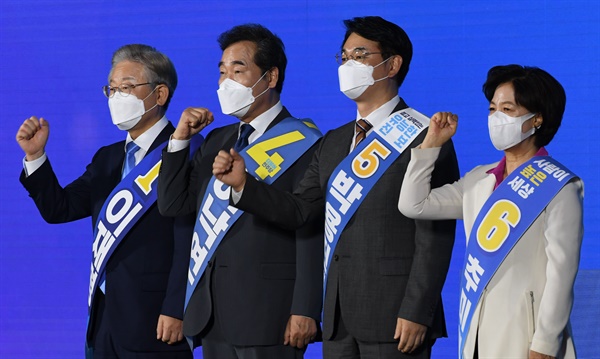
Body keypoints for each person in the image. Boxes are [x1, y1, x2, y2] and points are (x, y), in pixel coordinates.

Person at [213, 16, 459, 358]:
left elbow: (436, 234)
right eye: (344, 57)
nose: (348, 65)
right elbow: (301, 211)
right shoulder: (333, 142)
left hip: (397, 317)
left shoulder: (426, 135)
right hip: (338, 318)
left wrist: (419, 310)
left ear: (393, 64)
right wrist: (243, 186)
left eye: (360, 55)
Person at [156, 24, 323, 359]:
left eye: (238, 70)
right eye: (222, 71)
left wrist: (305, 308)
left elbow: (310, 228)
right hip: (211, 314)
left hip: (270, 314)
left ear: (271, 77)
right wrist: (180, 140)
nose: (226, 81)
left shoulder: (306, 142)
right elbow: (173, 204)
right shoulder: (218, 139)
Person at [16, 44, 193, 358]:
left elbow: (189, 240)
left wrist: (177, 308)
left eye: (126, 87)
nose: (116, 98)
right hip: (104, 321)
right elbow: (60, 208)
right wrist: (35, 156)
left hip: (157, 320)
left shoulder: (187, 153)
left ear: (160, 94)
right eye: (111, 89)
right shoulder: (107, 158)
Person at [398, 65, 583, 359]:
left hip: (525, 336)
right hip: (477, 330)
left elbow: (562, 273)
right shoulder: (480, 179)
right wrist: (431, 144)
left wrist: (545, 343)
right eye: (492, 108)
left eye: (507, 109)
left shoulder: (560, 185)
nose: (497, 118)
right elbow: (413, 204)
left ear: (536, 118)